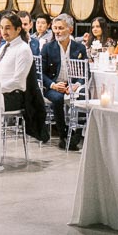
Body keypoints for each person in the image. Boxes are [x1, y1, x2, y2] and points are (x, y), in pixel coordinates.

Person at [0, 10, 46, 141]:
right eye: (2, 28)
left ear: (18, 29)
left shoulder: (23, 49)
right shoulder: (4, 47)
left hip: (14, 96)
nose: (4, 31)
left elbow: (19, 82)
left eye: (8, 28)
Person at [41, 14, 88, 150]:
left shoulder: (80, 48)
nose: (57, 31)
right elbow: (40, 73)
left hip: (72, 84)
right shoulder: (48, 48)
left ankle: (77, 135)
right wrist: (53, 85)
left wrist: (76, 85)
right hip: (54, 85)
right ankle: (63, 134)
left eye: (61, 28)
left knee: (85, 94)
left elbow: (86, 71)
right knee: (57, 98)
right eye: (55, 28)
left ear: (70, 30)